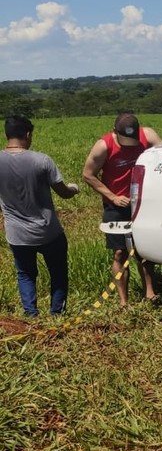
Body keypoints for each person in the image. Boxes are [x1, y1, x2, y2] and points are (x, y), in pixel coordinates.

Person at [0, 116, 81, 317]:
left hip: (17, 234)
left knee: (25, 274)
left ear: (6, 134)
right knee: (58, 273)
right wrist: (74, 188)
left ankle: (31, 314)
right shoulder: (41, 160)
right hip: (48, 231)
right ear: (27, 134)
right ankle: (57, 313)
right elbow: (63, 192)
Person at [82, 112, 162, 306]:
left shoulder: (149, 136)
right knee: (119, 252)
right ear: (115, 132)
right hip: (116, 205)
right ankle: (123, 301)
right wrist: (112, 196)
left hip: (144, 203)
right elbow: (88, 174)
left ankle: (150, 292)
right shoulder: (104, 146)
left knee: (145, 250)